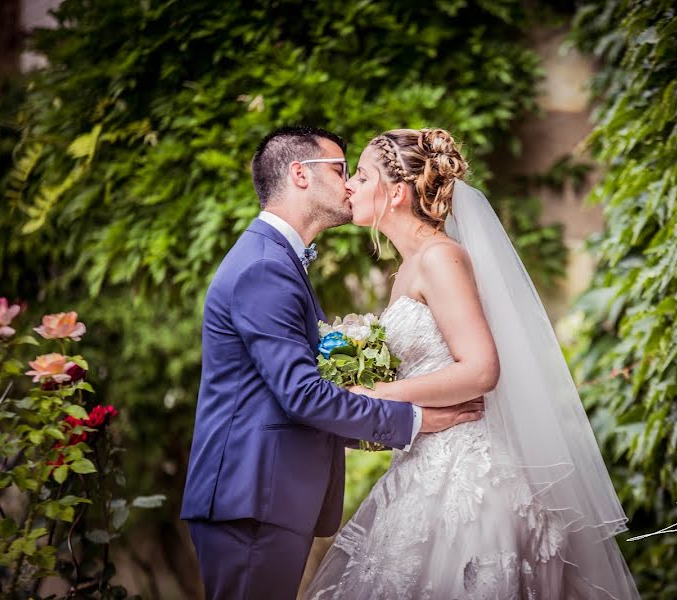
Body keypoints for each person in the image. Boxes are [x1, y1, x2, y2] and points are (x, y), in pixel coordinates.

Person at [304, 128, 642, 599]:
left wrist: (376, 394)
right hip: (425, 459)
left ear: (397, 193)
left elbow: (481, 370)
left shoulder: (441, 258)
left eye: (361, 176)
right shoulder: (410, 266)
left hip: (468, 480)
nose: (349, 187)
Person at [180, 126, 485, 600]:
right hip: (252, 498)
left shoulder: (279, 260)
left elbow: (290, 396)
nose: (349, 184)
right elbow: (302, 395)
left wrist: (383, 413)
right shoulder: (265, 265)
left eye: (355, 174)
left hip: (266, 496)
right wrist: (416, 420)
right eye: (342, 170)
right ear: (299, 174)